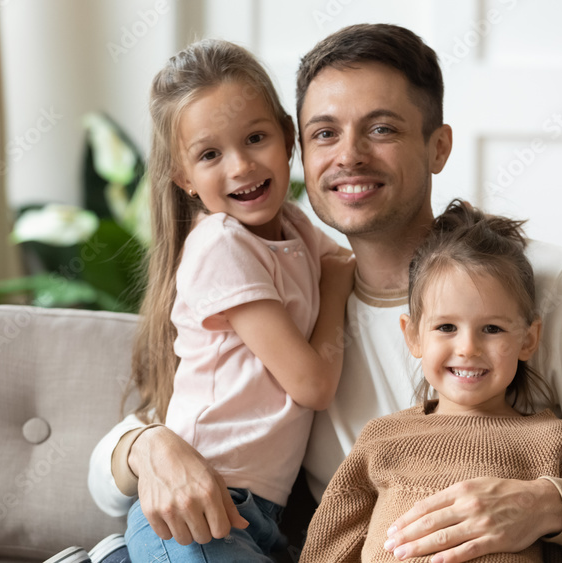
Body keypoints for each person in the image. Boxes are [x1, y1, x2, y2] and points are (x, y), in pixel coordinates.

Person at [89, 24, 562, 562]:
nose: (350, 156)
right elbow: (154, 442)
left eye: (381, 128)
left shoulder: (548, 285)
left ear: (437, 146)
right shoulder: (301, 295)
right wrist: (147, 446)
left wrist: (546, 503)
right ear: (300, 150)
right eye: (325, 133)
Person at [114, 38, 356, 562]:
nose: (241, 166)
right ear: (185, 179)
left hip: (259, 513)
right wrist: (335, 284)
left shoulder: (294, 225)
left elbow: (353, 258)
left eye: (255, 137)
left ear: (288, 138)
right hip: (197, 506)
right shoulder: (222, 243)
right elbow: (312, 384)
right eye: (210, 154)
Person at [300, 200, 562, 563]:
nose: (468, 348)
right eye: (446, 327)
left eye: (492, 328)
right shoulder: (381, 438)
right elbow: (328, 548)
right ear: (412, 336)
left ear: (528, 339)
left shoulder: (555, 443)